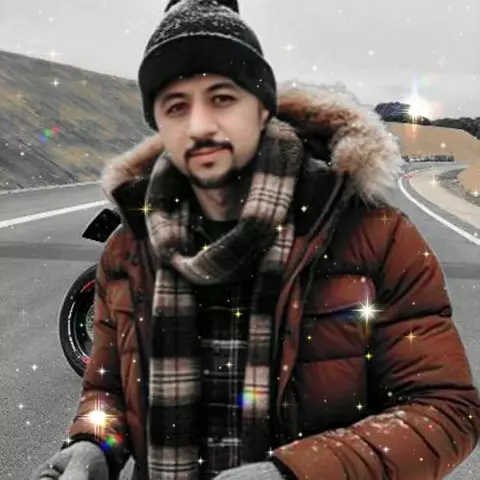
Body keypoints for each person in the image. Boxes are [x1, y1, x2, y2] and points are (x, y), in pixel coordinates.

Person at [32, 0, 480, 479]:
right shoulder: (128, 248)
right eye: (176, 106)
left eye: (222, 98)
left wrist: (295, 473)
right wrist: (93, 443)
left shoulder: (374, 235)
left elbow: (446, 410)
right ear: (158, 123)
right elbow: (107, 391)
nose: (200, 125)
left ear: (263, 107)